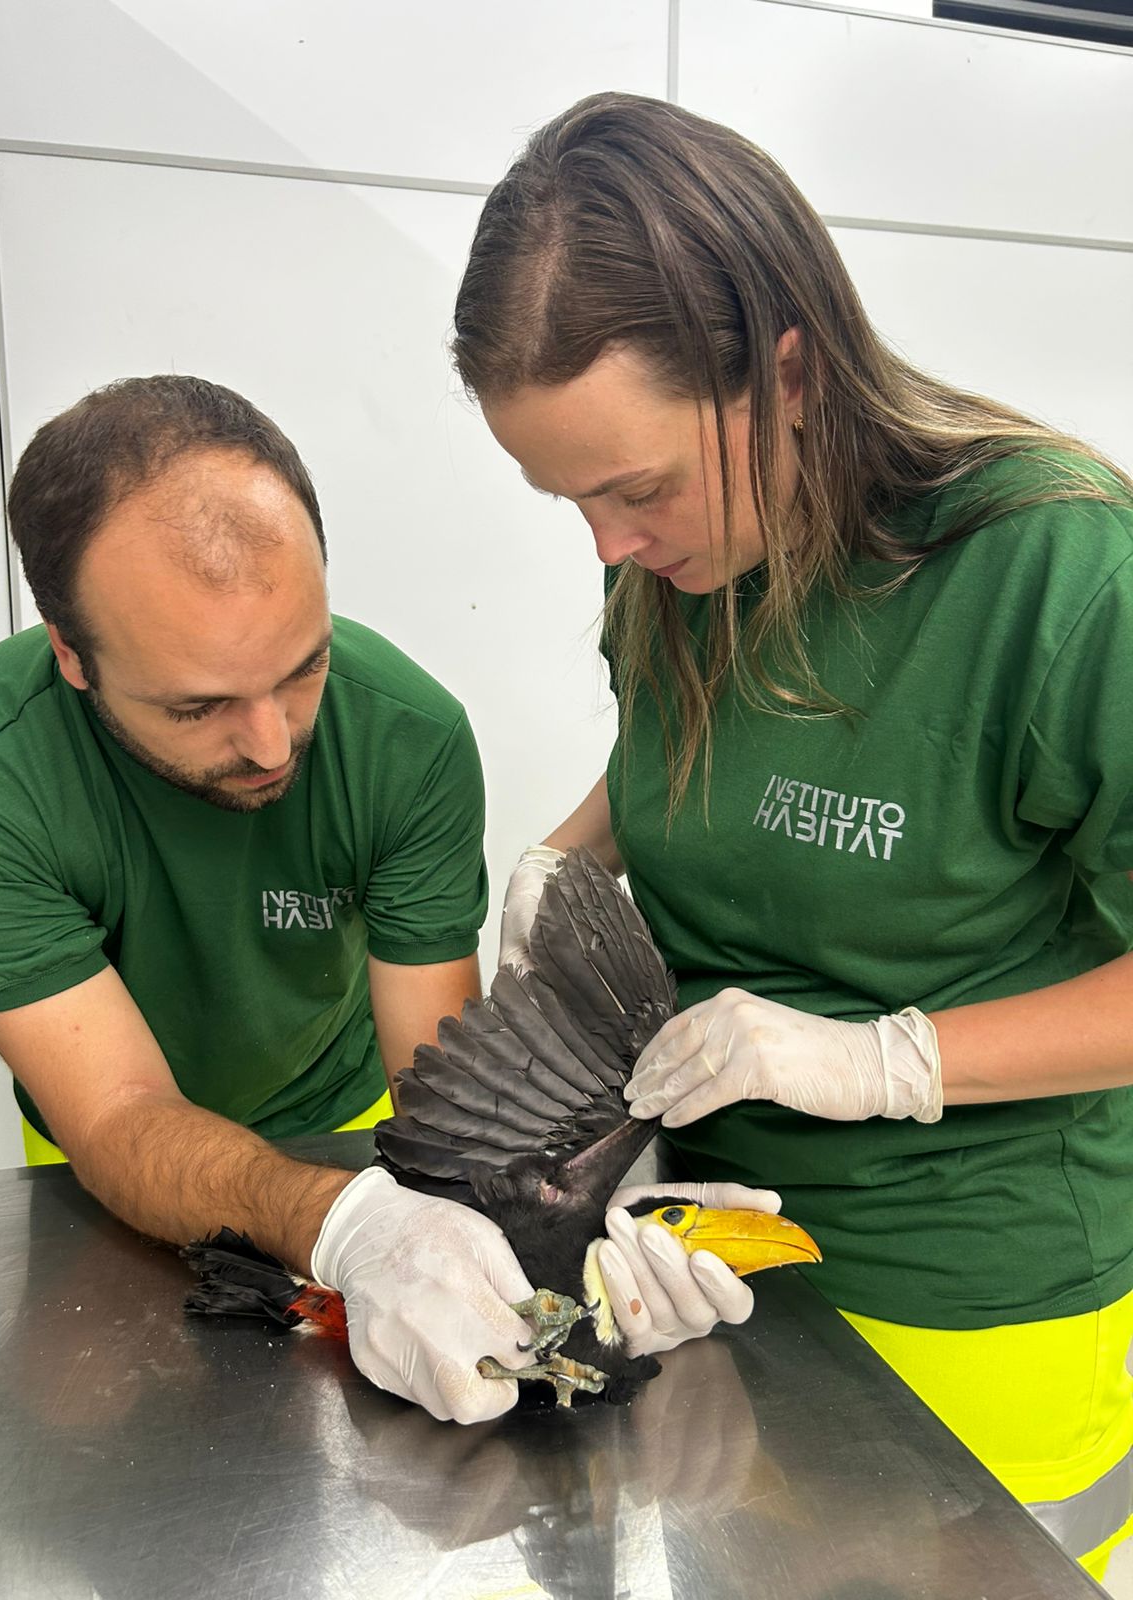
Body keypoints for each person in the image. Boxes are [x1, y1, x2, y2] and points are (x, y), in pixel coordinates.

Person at [456, 92, 1133, 1577]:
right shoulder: (684, 564)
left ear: (790, 373)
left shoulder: (1059, 573)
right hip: (705, 1274)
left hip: (971, 1308)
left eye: (636, 487)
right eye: (567, 501)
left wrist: (880, 1062)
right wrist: (572, 853)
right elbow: (694, 768)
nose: (609, 548)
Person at [0, 374, 775, 1424]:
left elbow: (451, 1100)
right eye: (198, 707)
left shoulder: (405, 737)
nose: (272, 744)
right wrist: (344, 1225)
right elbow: (116, 1112)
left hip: (351, 1126)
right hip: (105, 1165)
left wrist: (571, 1224)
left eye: (301, 669)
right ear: (72, 656)